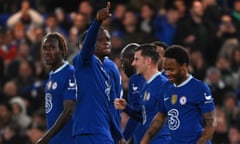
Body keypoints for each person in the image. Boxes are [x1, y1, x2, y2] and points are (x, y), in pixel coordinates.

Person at [141, 45, 216, 144]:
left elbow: (210, 123)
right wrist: (144, 141)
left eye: (171, 69)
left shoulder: (199, 88)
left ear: (184, 66)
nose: (167, 73)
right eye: (165, 69)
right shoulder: (166, 87)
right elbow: (160, 117)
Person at [72, 2, 124, 144]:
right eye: (100, 40)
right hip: (88, 130)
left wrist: (118, 134)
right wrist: (97, 22)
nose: (106, 42)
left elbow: (111, 106)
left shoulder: (108, 68)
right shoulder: (82, 61)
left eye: (107, 39)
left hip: (104, 131)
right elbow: (87, 46)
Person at [115, 44, 171, 144]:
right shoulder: (146, 86)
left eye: (136, 59)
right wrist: (126, 107)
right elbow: (142, 116)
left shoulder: (164, 85)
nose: (133, 64)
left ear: (148, 61)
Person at [37, 32, 77, 144]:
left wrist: (46, 138)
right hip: (56, 140)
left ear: (63, 51)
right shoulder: (52, 75)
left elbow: (68, 110)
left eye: (52, 48)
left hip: (69, 140)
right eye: (45, 48)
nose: (47, 52)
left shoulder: (70, 72)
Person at [119, 43, 146, 143]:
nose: (122, 66)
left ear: (132, 59)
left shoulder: (136, 79)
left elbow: (139, 114)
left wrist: (124, 138)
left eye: (123, 61)